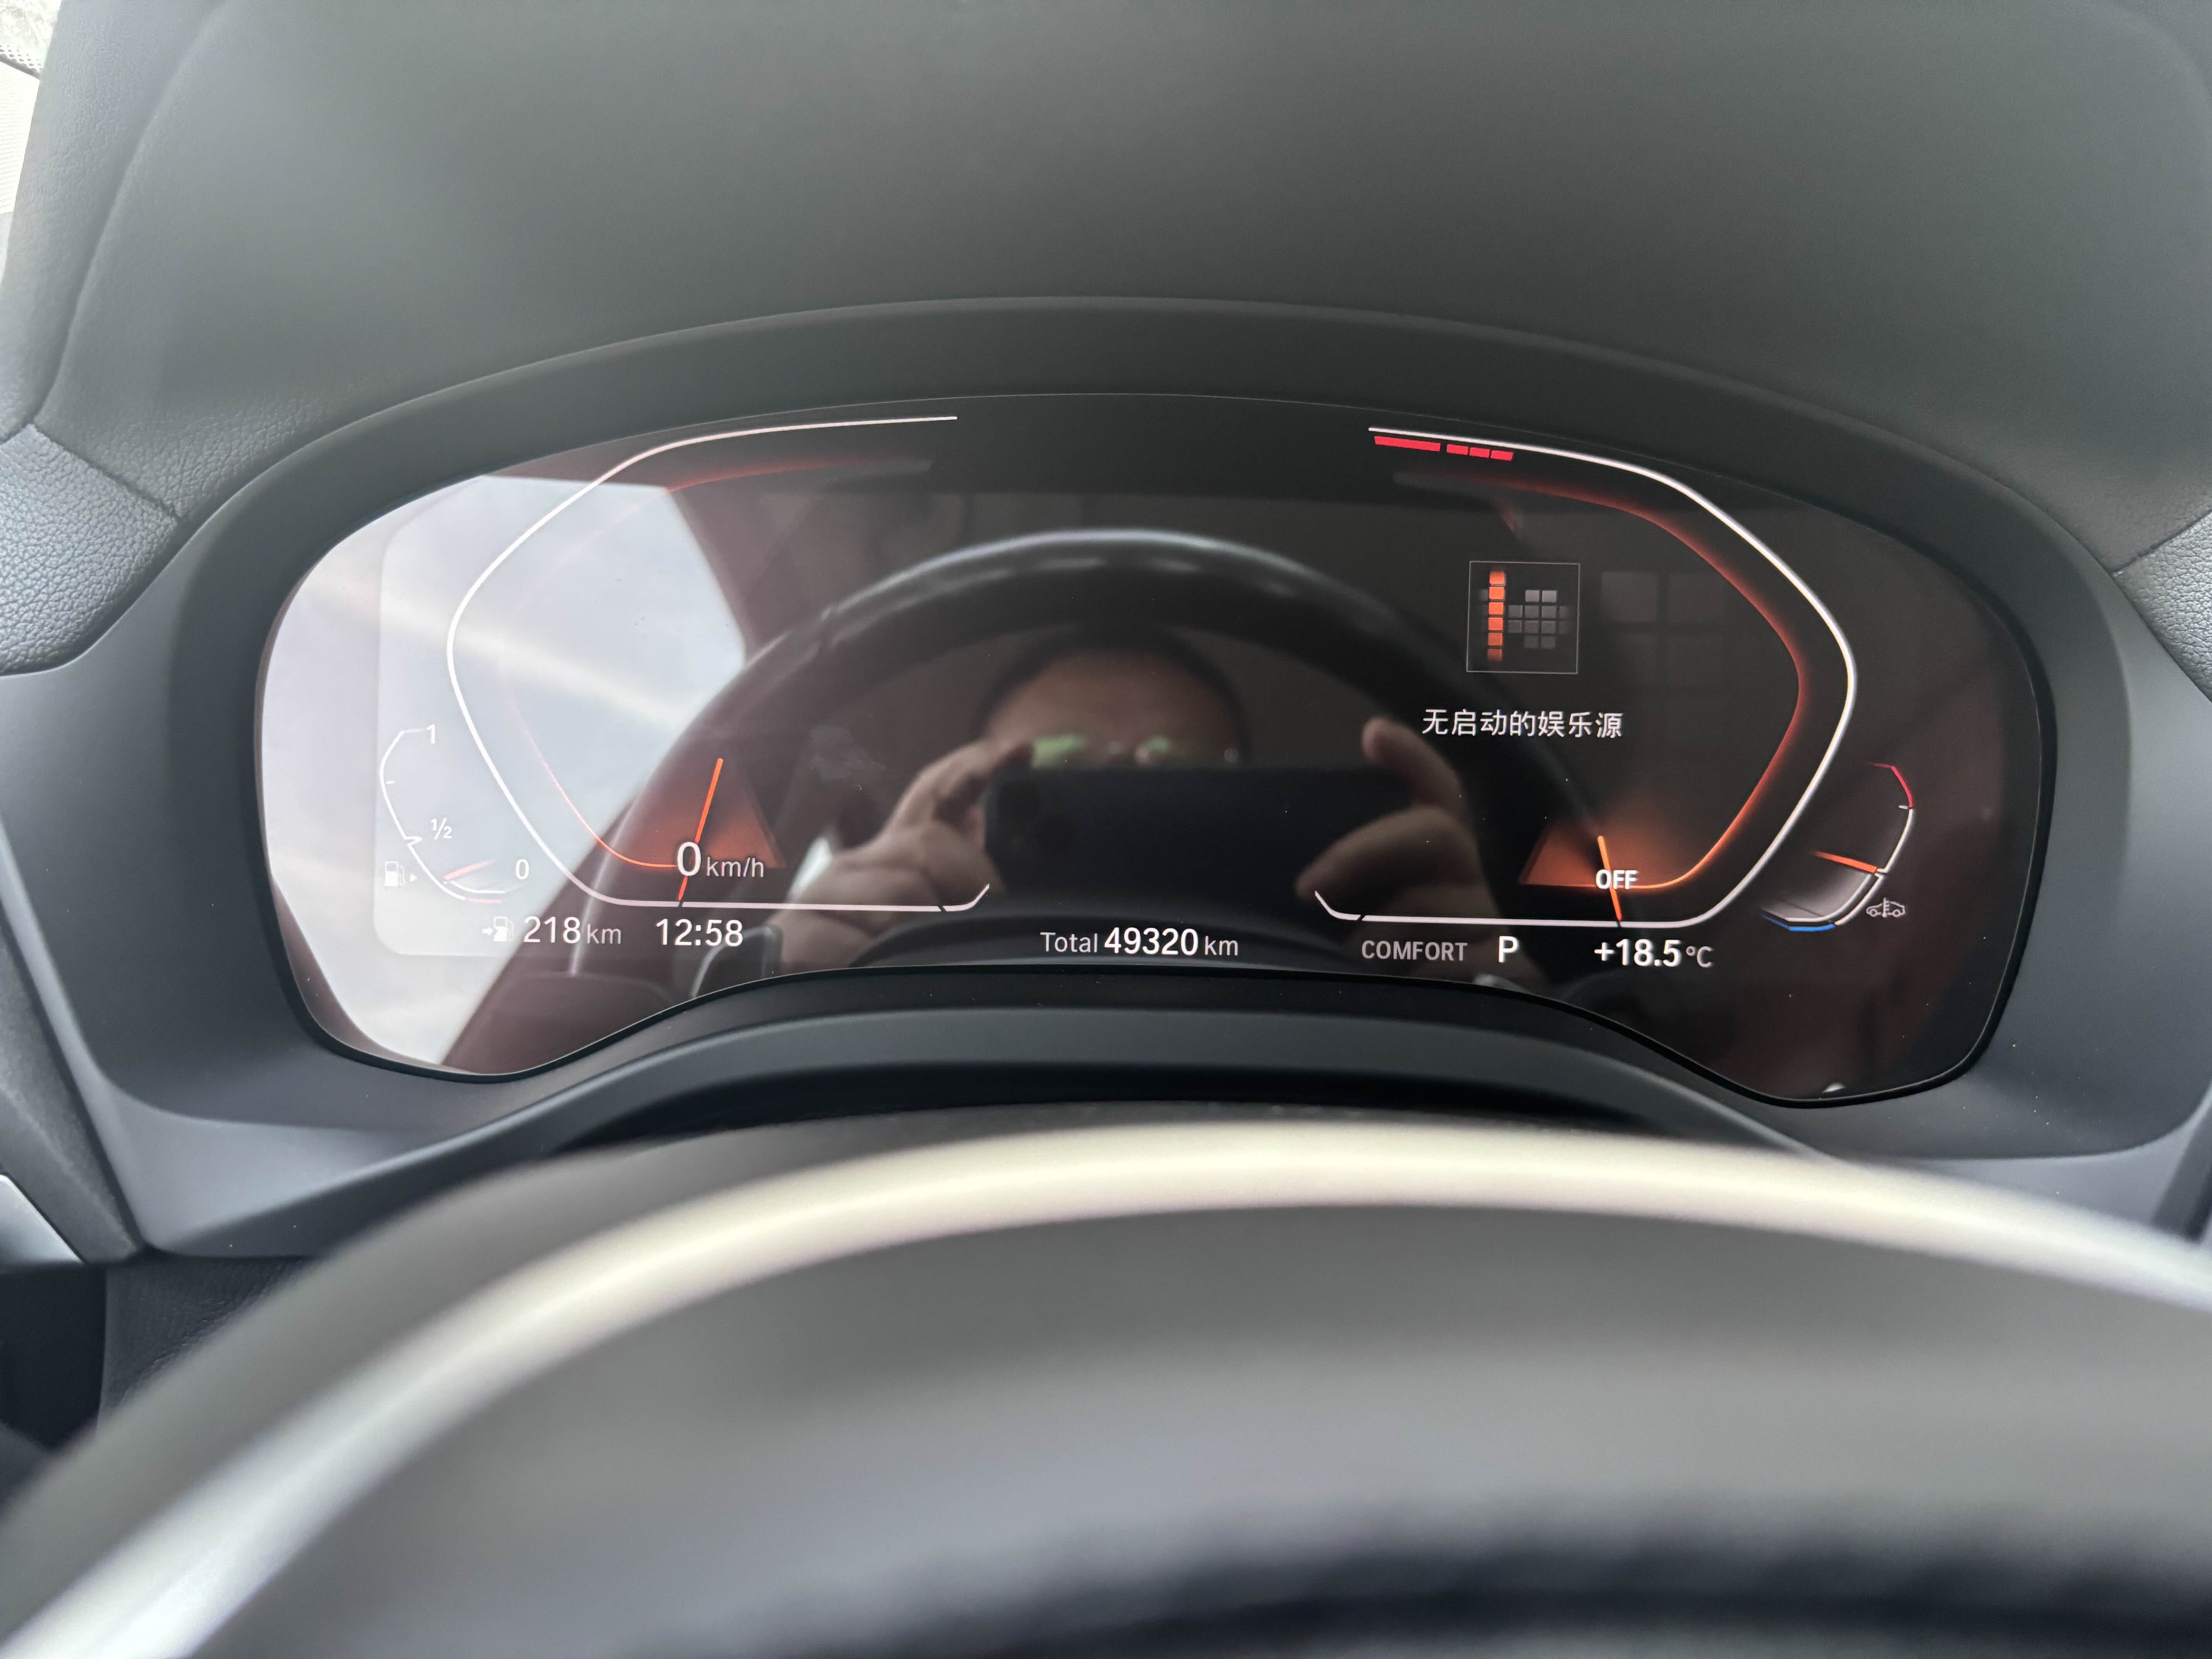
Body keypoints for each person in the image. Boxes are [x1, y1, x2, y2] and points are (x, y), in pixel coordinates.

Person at [771, 628, 1495, 971]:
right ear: (962, 815)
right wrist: (789, 979)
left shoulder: (1358, 971)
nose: (1127, 794)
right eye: (1062, 773)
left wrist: (1494, 990)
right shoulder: (898, 973)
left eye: (1177, 772)